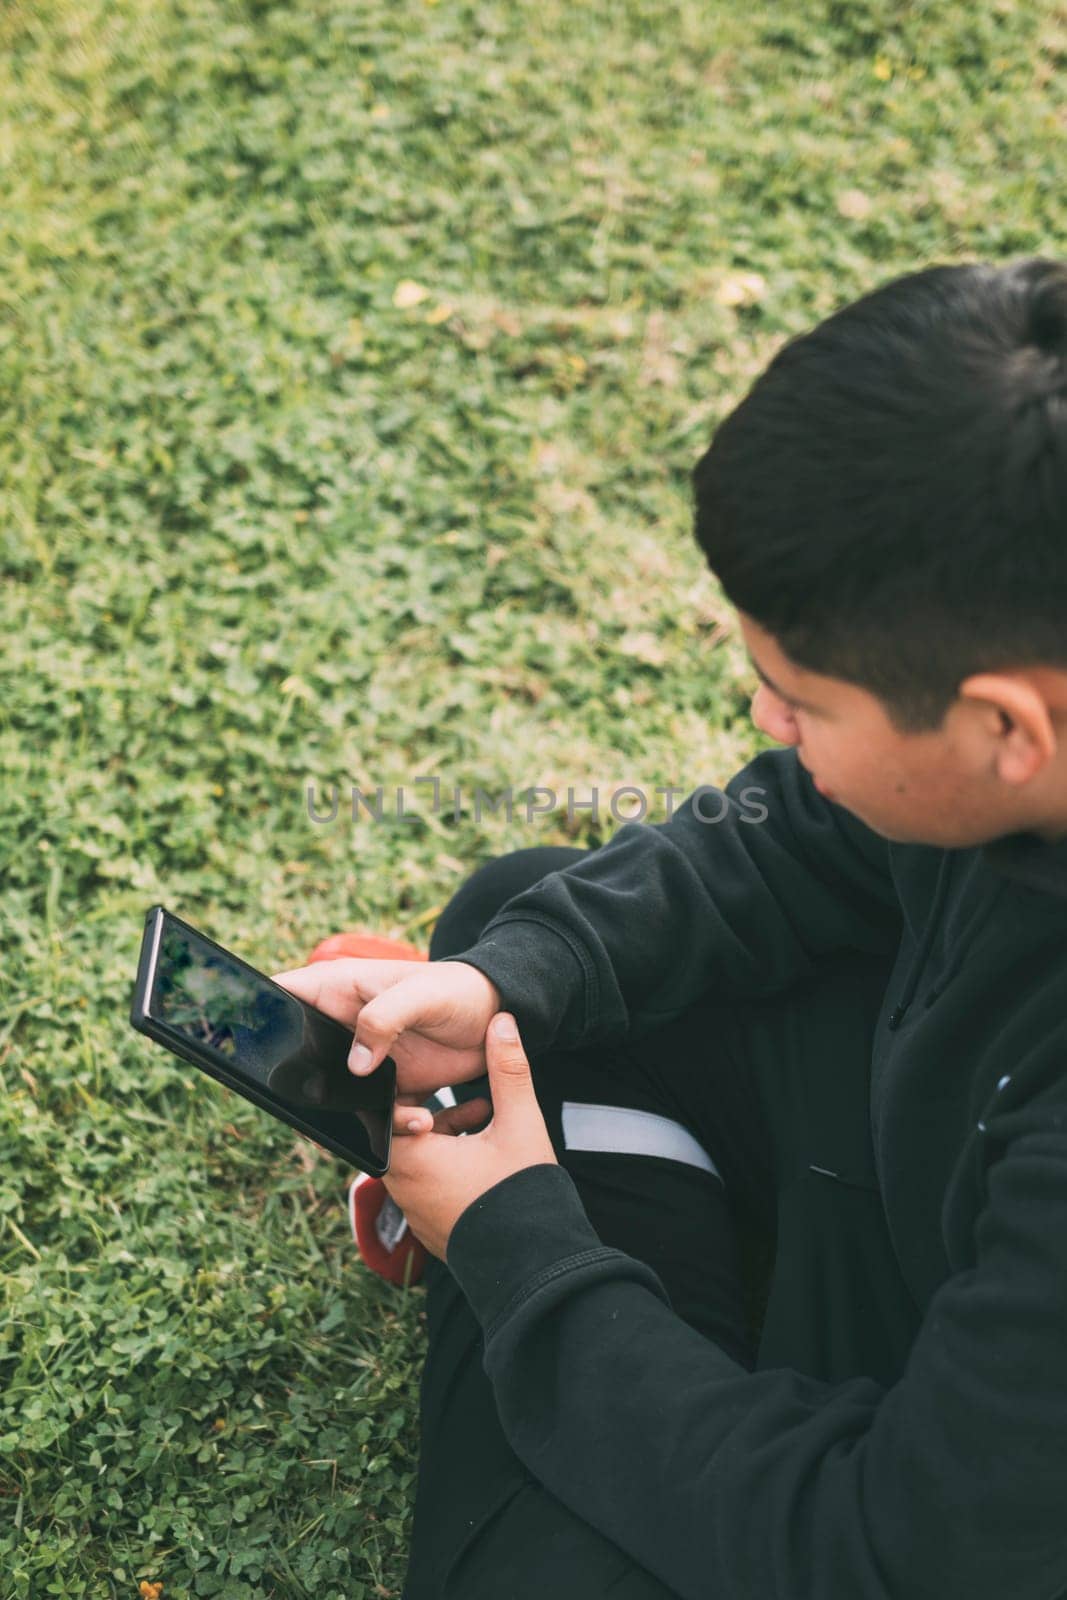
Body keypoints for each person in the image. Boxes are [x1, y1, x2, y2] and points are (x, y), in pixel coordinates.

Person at [274, 257, 1067, 1600]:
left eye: (799, 700)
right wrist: (507, 980)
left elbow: (888, 1550)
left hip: (934, 1494)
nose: (770, 725)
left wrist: (523, 1251)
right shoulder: (1006, 757)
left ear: (1004, 727)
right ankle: (595, 1265)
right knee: (526, 948)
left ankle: (577, 1279)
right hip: (929, 1191)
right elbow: (805, 841)